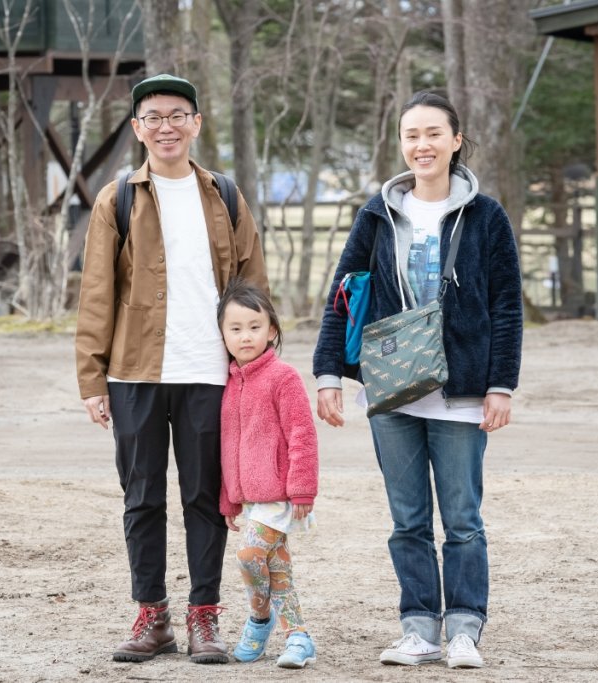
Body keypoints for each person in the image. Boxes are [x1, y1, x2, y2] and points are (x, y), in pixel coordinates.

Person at [312, 91, 523, 669]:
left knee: (461, 520)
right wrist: (329, 372)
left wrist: (501, 385)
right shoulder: (378, 213)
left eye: (434, 133)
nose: (422, 145)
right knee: (407, 521)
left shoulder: (486, 216)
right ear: (401, 144)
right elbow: (343, 295)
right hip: (391, 391)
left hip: (460, 393)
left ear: (456, 141)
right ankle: (418, 629)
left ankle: (463, 630)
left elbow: (507, 305)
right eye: (411, 135)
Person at [74, 73, 269, 664]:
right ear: (137, 129)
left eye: (177, 115)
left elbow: (253, 290)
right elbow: (96, 295)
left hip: (210, 372)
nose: (166, 126)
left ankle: (203, 616)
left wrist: (256, 368)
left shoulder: (226, 197)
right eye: (153, 117)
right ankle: (152, 616)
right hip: (134, 374)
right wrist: (91, 378)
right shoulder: (118, 199)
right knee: (141, 498)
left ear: (196, 124)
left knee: (206, 498)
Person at [216, 278, 319, 669]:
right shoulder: (227, 385)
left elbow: (301, 434)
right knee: (278, 568)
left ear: (272, 330)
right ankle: (298, 638)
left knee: (248, 554)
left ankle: (259, 620)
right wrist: (229, 498)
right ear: (223, 333)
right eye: (236, 329)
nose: (246, 337)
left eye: (255, 327)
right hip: (250, 497)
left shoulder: (283, 377)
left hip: (281, 494)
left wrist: (302, 488)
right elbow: (227, 445)